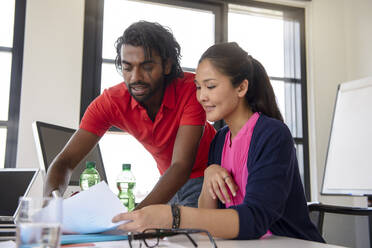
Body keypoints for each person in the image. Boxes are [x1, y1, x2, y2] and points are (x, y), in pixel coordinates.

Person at [112, 42, 325, 242]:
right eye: (198, 87)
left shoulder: (272, 134)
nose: (202, 96)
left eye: (210, 86)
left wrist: (173, 216)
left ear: (241, 88)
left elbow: (255, 220)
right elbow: (210, 217)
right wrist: (208, 176)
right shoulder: (220, 139)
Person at [44, 21, 216, 209]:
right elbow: (64, 161)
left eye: (147, 67)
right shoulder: (111, 102)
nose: (135, 77)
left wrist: (134, 216)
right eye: (128, 68)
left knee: (178, 233)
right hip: (169, 182)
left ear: (167, 65)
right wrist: (50, 205)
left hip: (209, 175)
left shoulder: (191, 89)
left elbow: (181, 166)